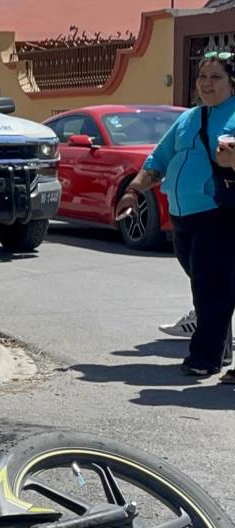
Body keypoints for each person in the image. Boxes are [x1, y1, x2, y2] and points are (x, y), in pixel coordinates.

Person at [120, 51, 235, 381]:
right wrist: (133, 191)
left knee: (210, 287)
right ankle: (219, 345)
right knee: (208, 283)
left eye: (216, 78)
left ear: (232, 82)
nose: (206, 84)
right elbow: (159, 158)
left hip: (220, 213)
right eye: (202, 77)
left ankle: (205, 357)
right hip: (182, 217)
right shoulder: (188, 119)